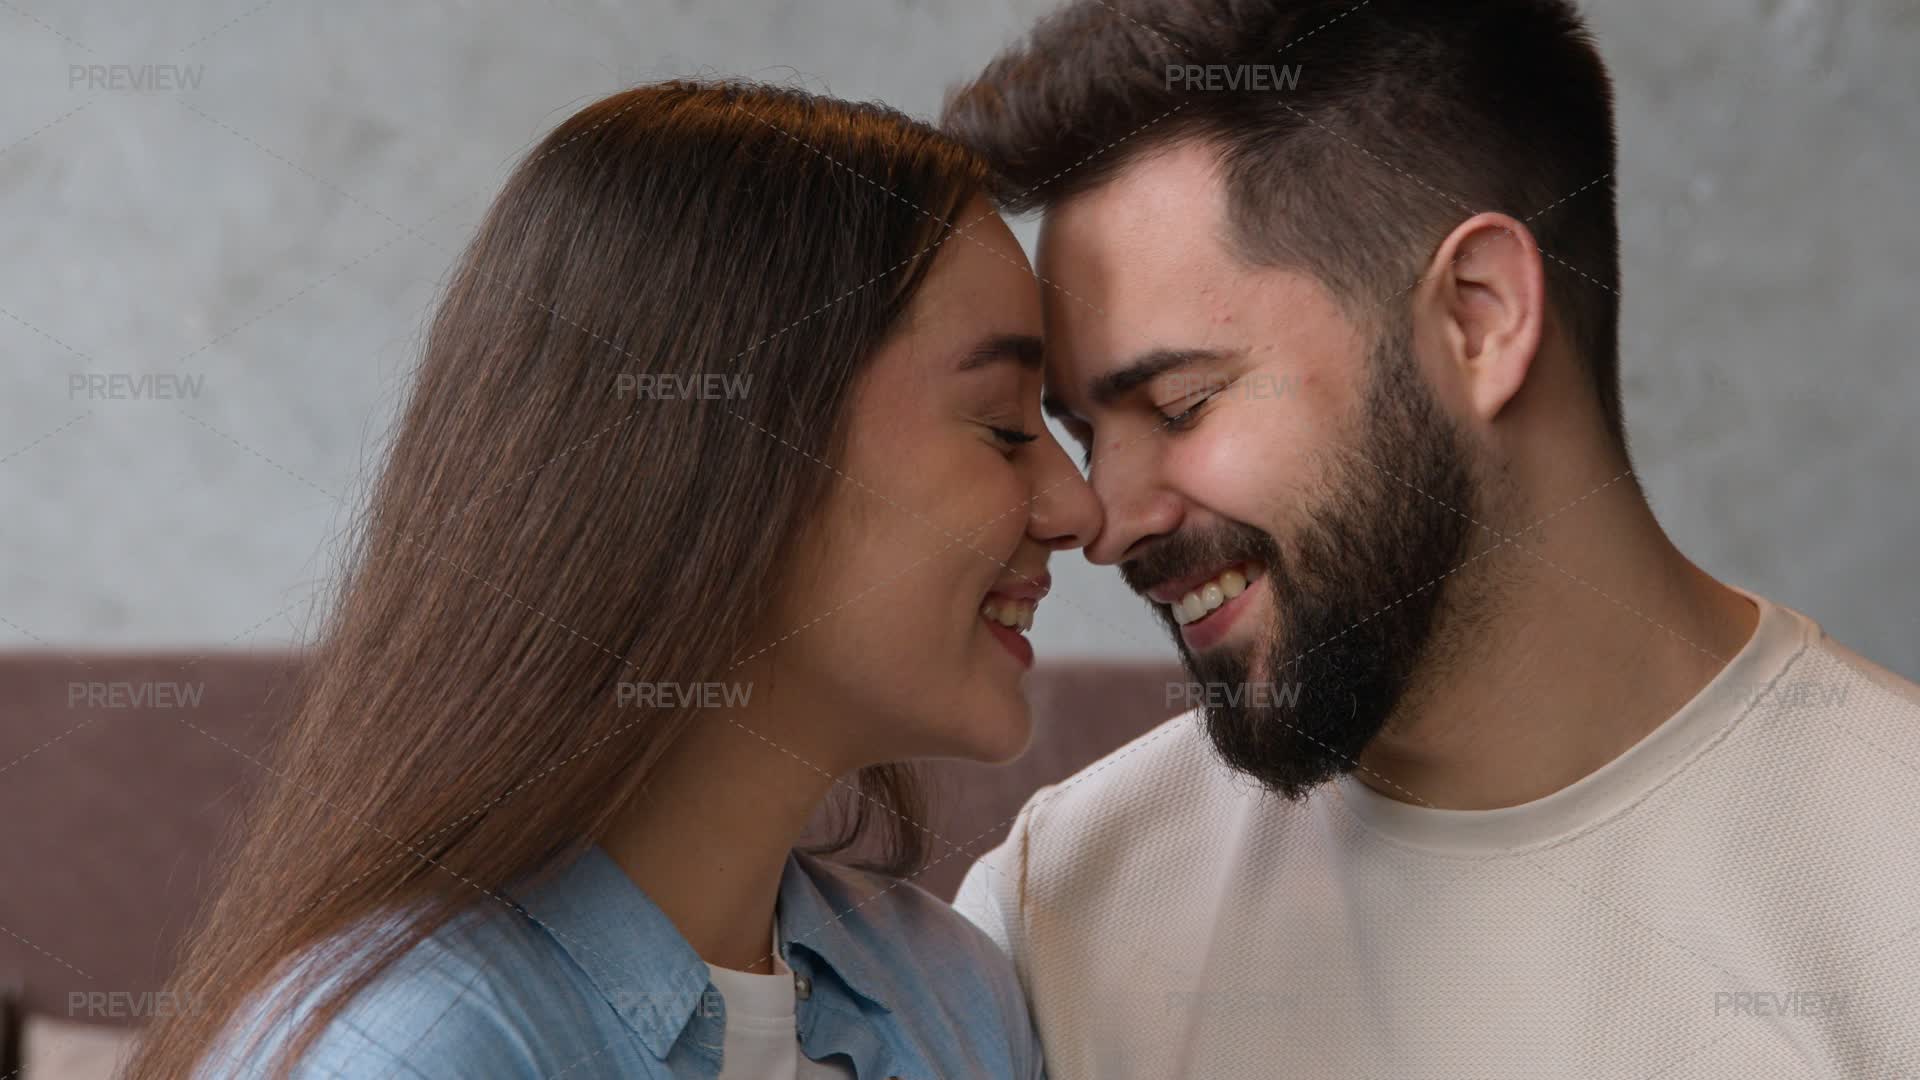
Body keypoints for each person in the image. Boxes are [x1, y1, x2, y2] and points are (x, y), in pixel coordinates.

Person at [942, 1, 1920, 1076]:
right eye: (1086, 436)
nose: (1107, 521)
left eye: (1181, 406)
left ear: (1479, 317)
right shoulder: (1057, 912)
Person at [126, 80, 1097, 1079]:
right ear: (728, 449)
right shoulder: (407, 1049)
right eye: (1004, 426)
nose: (1080, 508)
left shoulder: (954, 994)